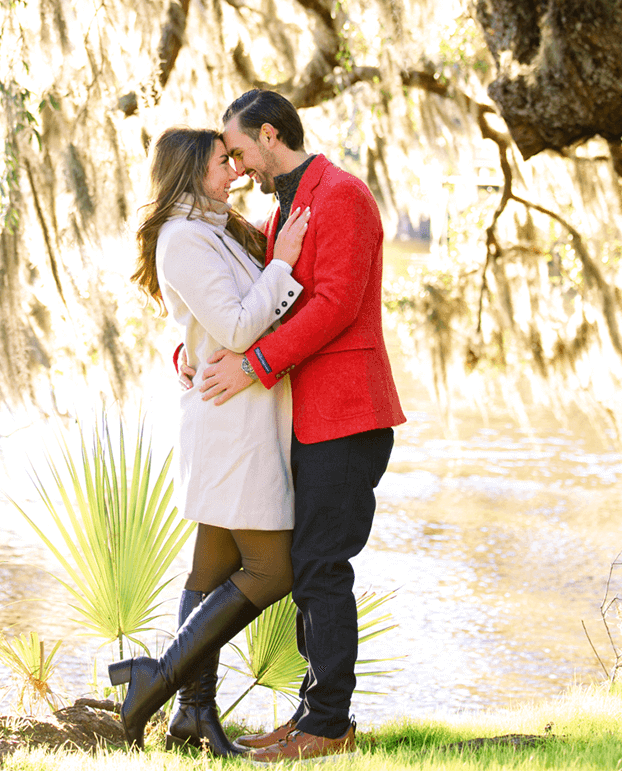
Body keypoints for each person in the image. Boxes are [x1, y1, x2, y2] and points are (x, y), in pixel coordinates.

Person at [199, 89, 405, 762]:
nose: (237, 167)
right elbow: (261, 301)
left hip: (348, 414)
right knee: (310, 565)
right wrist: (196, 349)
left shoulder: (340, 194)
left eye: (237, 151)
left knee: (321, 565)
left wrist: (255, 364)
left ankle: (328, 726)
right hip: (308, 416)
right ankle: (314, 715)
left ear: (268, 133)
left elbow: (337, 306)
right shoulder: (286, 206)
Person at [113, 126, 311, 753]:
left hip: (244, 414)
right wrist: (283, 262)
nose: (233, 172)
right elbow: (231, 324)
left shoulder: (212, 229)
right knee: (272, 568)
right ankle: (159, 681)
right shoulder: (182, 239)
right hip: (232, 425)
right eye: (222, 164)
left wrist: (185, 349)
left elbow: (204, 322)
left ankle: (192, 714)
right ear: (189, 173)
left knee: (211, 571)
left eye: (232, 160)